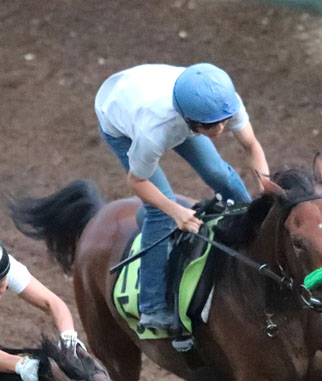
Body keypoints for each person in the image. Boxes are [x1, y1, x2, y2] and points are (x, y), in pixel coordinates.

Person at [95, 62, 269, 330]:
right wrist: (175, 211)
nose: (220, 129)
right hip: (119, 116)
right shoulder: (154, 131)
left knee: (220, 174)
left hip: (161, 96)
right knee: (160, 210)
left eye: (224, 121)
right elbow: (137, 181)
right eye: (212, 125)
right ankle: (152, 305)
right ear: (190, 120)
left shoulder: (224, 103)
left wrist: (265, 189)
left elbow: (251, 145)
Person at [0, 241, 84, 381]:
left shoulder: (8, 267)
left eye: (0, 286)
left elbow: (52, 303)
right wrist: (19, 364)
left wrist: (68, 337)